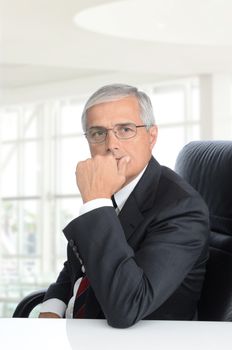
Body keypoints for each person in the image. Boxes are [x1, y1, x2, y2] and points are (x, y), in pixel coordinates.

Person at [39, 83, 209, 328]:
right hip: (76, 333)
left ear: (151, 137)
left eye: (125, 129)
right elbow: (82, 264)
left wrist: (95, 201)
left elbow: (127, 307)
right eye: (98, 133)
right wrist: (52, 308)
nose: (111, 145)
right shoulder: (112, 186)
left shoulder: (182, 210)